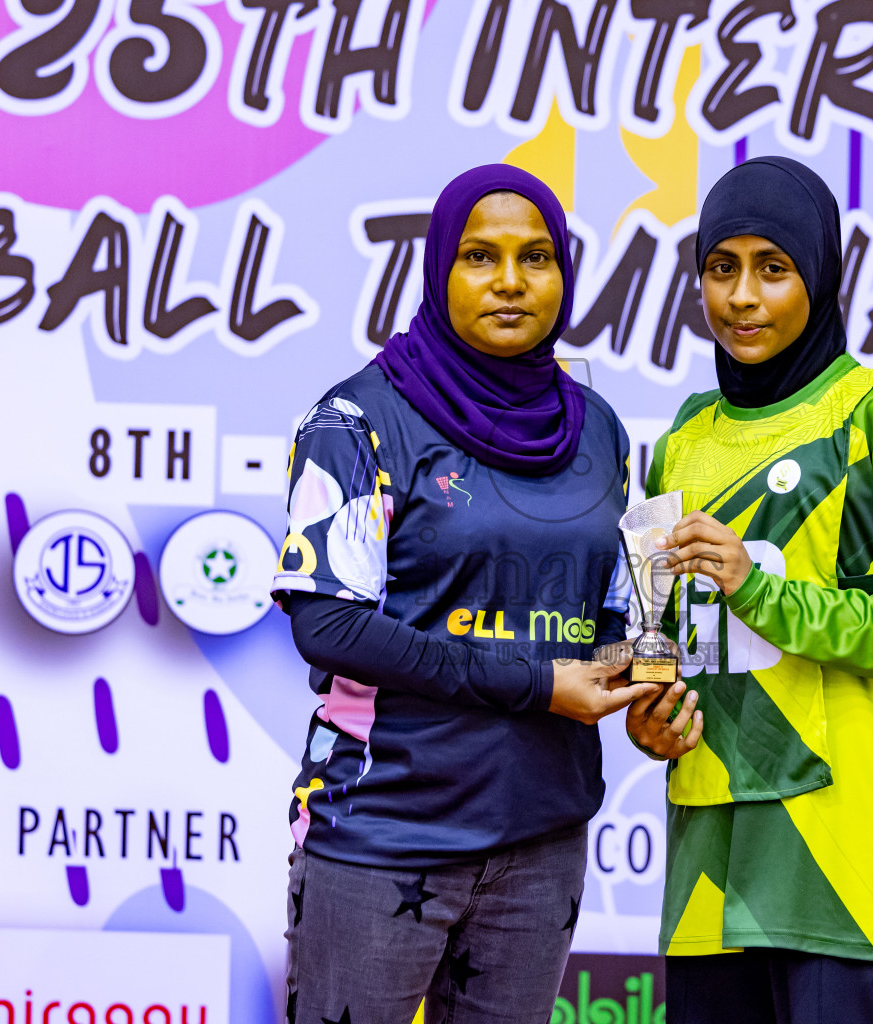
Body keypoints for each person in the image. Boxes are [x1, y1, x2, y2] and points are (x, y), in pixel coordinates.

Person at [273, 164, 655, 1024]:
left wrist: (643, 684)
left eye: (538, 257)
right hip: (381, 829)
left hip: (542, 836)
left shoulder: (597, 430)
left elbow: (603, 620)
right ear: (440, 267)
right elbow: (328, 624)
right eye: (481, 256)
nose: (513, 282)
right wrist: (536, 684)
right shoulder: (358, 420)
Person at [626, 156, 873, 1024]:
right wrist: (646, 712)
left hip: (843, 867)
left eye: (773, 268)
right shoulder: (681, 441)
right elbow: (659, 639)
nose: (743, 297)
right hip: (710, 864)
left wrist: (766, 593)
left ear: (819, 276)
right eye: (722, 268)